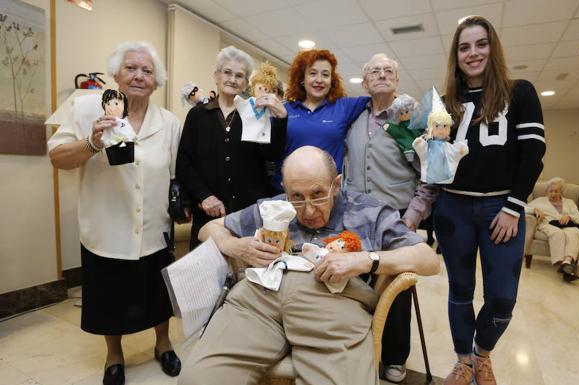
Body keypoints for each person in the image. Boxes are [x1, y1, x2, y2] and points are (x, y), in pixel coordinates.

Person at [178, 146, 440, 385]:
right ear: (285, 189)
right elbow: (209, 229)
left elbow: (427, 260)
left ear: (336, 185)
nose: (309, 210)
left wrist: (364, 260)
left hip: (332, 307)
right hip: (257, 302)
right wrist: (236, 246)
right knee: (196, 379)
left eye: (317, 195)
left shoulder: (370, 212)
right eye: (297, 197)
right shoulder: (274, 207)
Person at [48, 41, 182, 385]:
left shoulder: (168, 122)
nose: (139, 76)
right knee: (109, 297)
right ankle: (114, 354)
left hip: (154, 228)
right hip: (106, 228)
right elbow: (57, 157)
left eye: (147, 71)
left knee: (158, 294)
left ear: (157, 81)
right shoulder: (85, 108)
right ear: (116, 74)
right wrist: (92, 142)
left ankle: (163, 343)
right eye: (131, 68)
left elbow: (177, 174)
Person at [436, 16, 546, 385]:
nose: (473, 53)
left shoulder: (521, 92)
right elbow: (438, 163)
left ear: (492, 47)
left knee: (502, 299)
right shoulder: (445, 101)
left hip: (502, 208)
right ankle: (464, 361)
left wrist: (514, 207)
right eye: (464, 47)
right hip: (453, 208)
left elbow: (533, 155)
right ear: (456, 55)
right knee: (460, 291)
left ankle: (483, 353)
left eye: (480, 44)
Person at [343, 53, 439, 383]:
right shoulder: (354, 119)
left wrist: (411, 218)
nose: (381, 75)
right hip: (356, 218)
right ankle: (361, 349)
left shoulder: (409, 118)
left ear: (397, 81)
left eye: (388, 71)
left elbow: (429, 176)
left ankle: (395, 357)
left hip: (397, 218)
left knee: (395, 290)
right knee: (356, 286)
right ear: (365, 81)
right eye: (374, 71)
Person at [176, 46, 288, 250]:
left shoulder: (255, 114)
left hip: (248, 217)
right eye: (227, 72)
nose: (232, 79)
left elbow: (271, 155)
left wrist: (280, 120)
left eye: (240, 75)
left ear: (246, 83)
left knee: (246, 276)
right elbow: (184, 164)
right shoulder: (197, 116)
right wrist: (204, 196)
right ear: (216, 76)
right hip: (208, 217)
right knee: (205, 276)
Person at [270, 49, 370, 191]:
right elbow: (271, 151)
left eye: (325, 75)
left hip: (326, 194)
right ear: (302, 79)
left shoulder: (344, 107)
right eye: (312, 73)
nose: (319, 80)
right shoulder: (285, 110)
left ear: (331, 81)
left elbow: (379, 99)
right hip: (288, 192)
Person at [527, 177, 579, 282]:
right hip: (548, 224)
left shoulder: (569, 202)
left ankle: (567, 262)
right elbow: (524, 208)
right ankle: (563, 264)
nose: (553, 194)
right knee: (557, 233)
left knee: (575, 233)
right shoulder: (540, 201)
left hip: (567, 226)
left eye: (556, 191)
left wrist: (569, 217)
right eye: (550, 191)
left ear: (561, 191)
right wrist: (534, 209)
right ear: (546, 191)